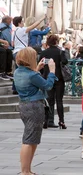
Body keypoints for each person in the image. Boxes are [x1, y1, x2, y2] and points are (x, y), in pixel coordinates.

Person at [13, 47, 57, 175]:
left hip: (23, 104)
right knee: (29, 139)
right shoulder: (31, 75)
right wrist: (52, 71)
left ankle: (27, 169)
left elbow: (28, 81)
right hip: (34, 106)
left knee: (32, 138)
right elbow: (47, 85)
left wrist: (37, 69)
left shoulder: (18, 72)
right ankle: (25, 171)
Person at [39, 34, 68, 129]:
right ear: (56, 42)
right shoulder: (60, 52)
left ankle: (47, 121)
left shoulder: (44, 53)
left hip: (47, 78)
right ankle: (61, 121)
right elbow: (65, 62)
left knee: (49, 100)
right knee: (59, 100)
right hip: (59, 78)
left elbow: (40, 64)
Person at [0, 15, 14, 80]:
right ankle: (2, 72)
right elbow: (8, 37)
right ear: (7, 20)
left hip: (2, 44)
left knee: (8, 51)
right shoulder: (3, 27)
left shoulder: (6, 26)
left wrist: (3, 44)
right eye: (10, 20)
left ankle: (8, 71)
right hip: (3, 44)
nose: (11, 21)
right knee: (3, 51)